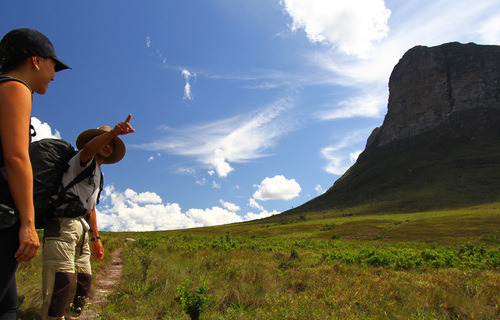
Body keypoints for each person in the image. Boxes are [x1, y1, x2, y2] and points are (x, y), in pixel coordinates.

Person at [0, 28, 70, 319]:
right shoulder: (15, 87)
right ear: (36, 61)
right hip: (3, 215)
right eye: (54, 65)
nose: (55, 74)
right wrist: (28, 224)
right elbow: (16, 158)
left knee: (8, 305)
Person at [41, 115, 135, 320]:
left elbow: (90, 209)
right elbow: (88, 150)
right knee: (61, 282)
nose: (108, 146)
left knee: (82, 283)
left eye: (111, 144)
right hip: (63, 226)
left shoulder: (98, 174)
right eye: (105, 141)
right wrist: (114, 133)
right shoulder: (81, 159)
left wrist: (96, 239)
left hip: (81, 230)